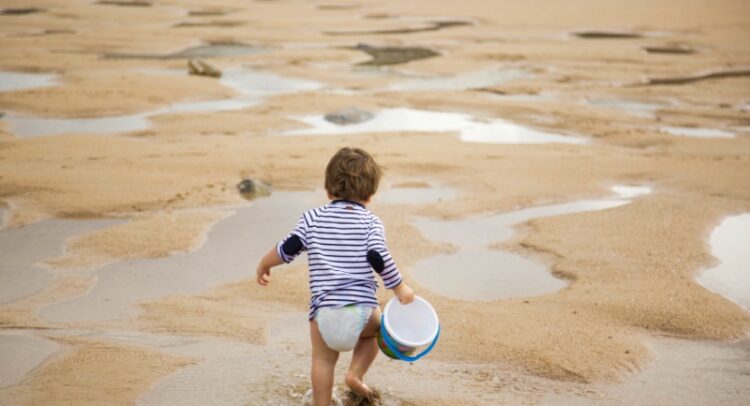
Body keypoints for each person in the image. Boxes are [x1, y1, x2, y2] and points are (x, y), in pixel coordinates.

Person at [256, 147, 415, 406]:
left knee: (322, 360)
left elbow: (290, 247)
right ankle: (355, 374)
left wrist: (264, 264)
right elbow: (377, 255)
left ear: (328, 190)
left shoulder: (312, 218)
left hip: (325, 312)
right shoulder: (371, 222)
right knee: (375, 333)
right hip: (362, 309)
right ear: (370, 195)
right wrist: (399, 287)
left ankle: (321, 403)